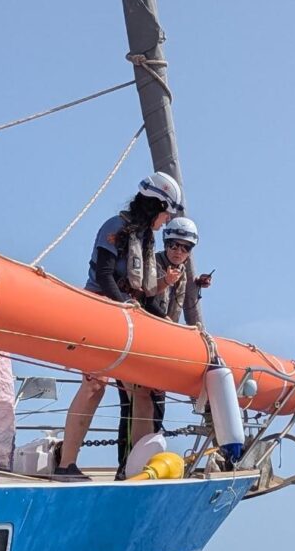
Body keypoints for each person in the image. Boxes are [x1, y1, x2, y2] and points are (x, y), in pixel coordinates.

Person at [54, 172, 183, 482]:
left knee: (142, 389)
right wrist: (122, 304)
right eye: (166, 213)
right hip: (102, 311)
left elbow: (145, 292)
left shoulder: (147, 239)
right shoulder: (115, 227)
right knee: (95, 384)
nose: (167, 220)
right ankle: (66, 464)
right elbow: (104, 273)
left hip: (130, 317)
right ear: (156, 205)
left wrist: (162, 314)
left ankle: (135, 468)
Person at [115, 215, 213, 476]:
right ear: (166, 243)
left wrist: (194, 285)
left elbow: (175, 308)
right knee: (132, 408)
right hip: (140, 344)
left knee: (157, 407)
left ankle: (147, 464)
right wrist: (165, 285)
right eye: (174, 245)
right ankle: (125, 467)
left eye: (185, 248)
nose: (178, 251)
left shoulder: (181, 274)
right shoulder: (153, 264)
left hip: (161, 347)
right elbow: (144, 299)